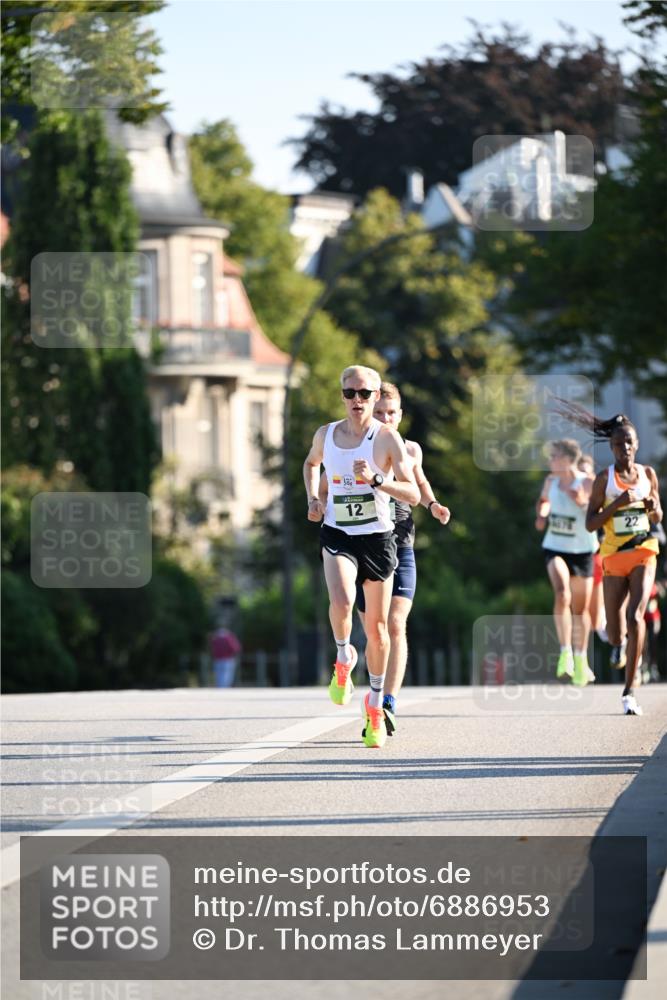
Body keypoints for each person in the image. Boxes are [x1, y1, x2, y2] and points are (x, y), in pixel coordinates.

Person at [319, 381, 450, 737]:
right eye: (380, 413)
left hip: (399, 547)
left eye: (392, 413)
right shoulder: (354, 445)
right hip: (360, 541)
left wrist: (434, 504)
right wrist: (318, 500)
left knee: (395, 623)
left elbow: (418, 483)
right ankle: (359, 679)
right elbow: (328, 480)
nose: (385, 418)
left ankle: (385, 702)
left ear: (400, 415)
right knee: (371, 628)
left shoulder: (407, 448)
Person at [303, 365, 420, 748]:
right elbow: (311, 463)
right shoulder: (327, 434)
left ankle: (373, 705)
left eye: (365, 394)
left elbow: (412, 494)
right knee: (341, 600)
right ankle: (342, 657)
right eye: (350, 393)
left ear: (374, 396)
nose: (357, 400)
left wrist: (377, 480)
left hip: (379, 539)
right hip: (338, 532)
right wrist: (314, 498)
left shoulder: (386, 439)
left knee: (378, 629)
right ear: (342, 395)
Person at [556, 402, 662, 715]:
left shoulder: (647, 475)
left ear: (637, 444)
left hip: (644, 550)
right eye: (618, 444)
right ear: (612, 448)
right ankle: (619, 644)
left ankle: (630, 690)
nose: (624, 449)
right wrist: (619, 504)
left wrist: (649, 505)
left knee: (636, 614)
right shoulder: (605, 479)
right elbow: (591, 523)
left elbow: (657, 514)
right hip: (614, 556)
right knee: (616, 629)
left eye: (629, 443)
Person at [535, 439, 597, 686]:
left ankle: (581, 659)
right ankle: (565, 652)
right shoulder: (550, 481)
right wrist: (541, 515)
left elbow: (599, 516)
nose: (550, 461)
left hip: (583, 551)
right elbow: (543, 502)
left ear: (566, 459)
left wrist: (582, 502)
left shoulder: (589, 482)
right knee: (562, 594)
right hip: (555, 547)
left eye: (554, 456)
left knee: (580, 611)